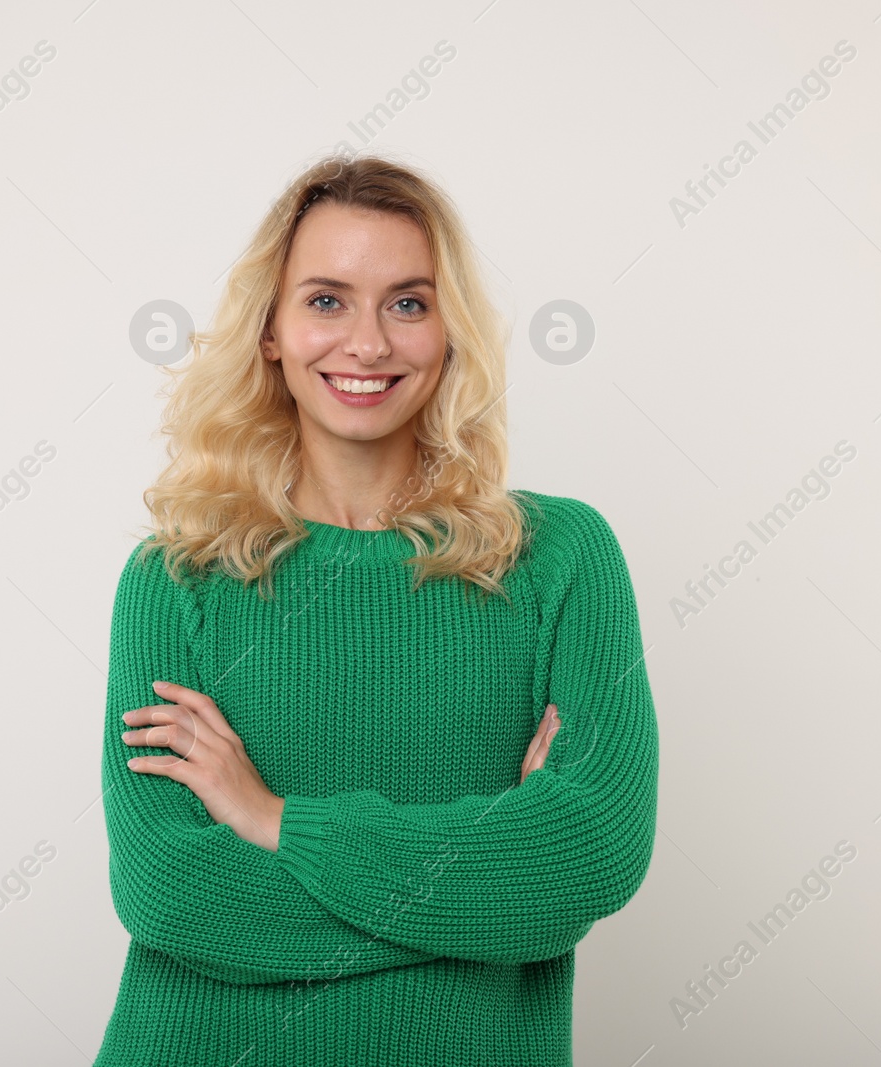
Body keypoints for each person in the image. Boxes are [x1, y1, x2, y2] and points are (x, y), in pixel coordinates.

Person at [94, 152, 658, 1066]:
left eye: (408, 302)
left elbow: (588, 856)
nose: (367, 344)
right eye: (325, 300)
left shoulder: (560, 558)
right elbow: (172, 895)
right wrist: (485, 891)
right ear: (271, 331)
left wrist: (277, 820)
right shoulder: (177, 577)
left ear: (451, 332)